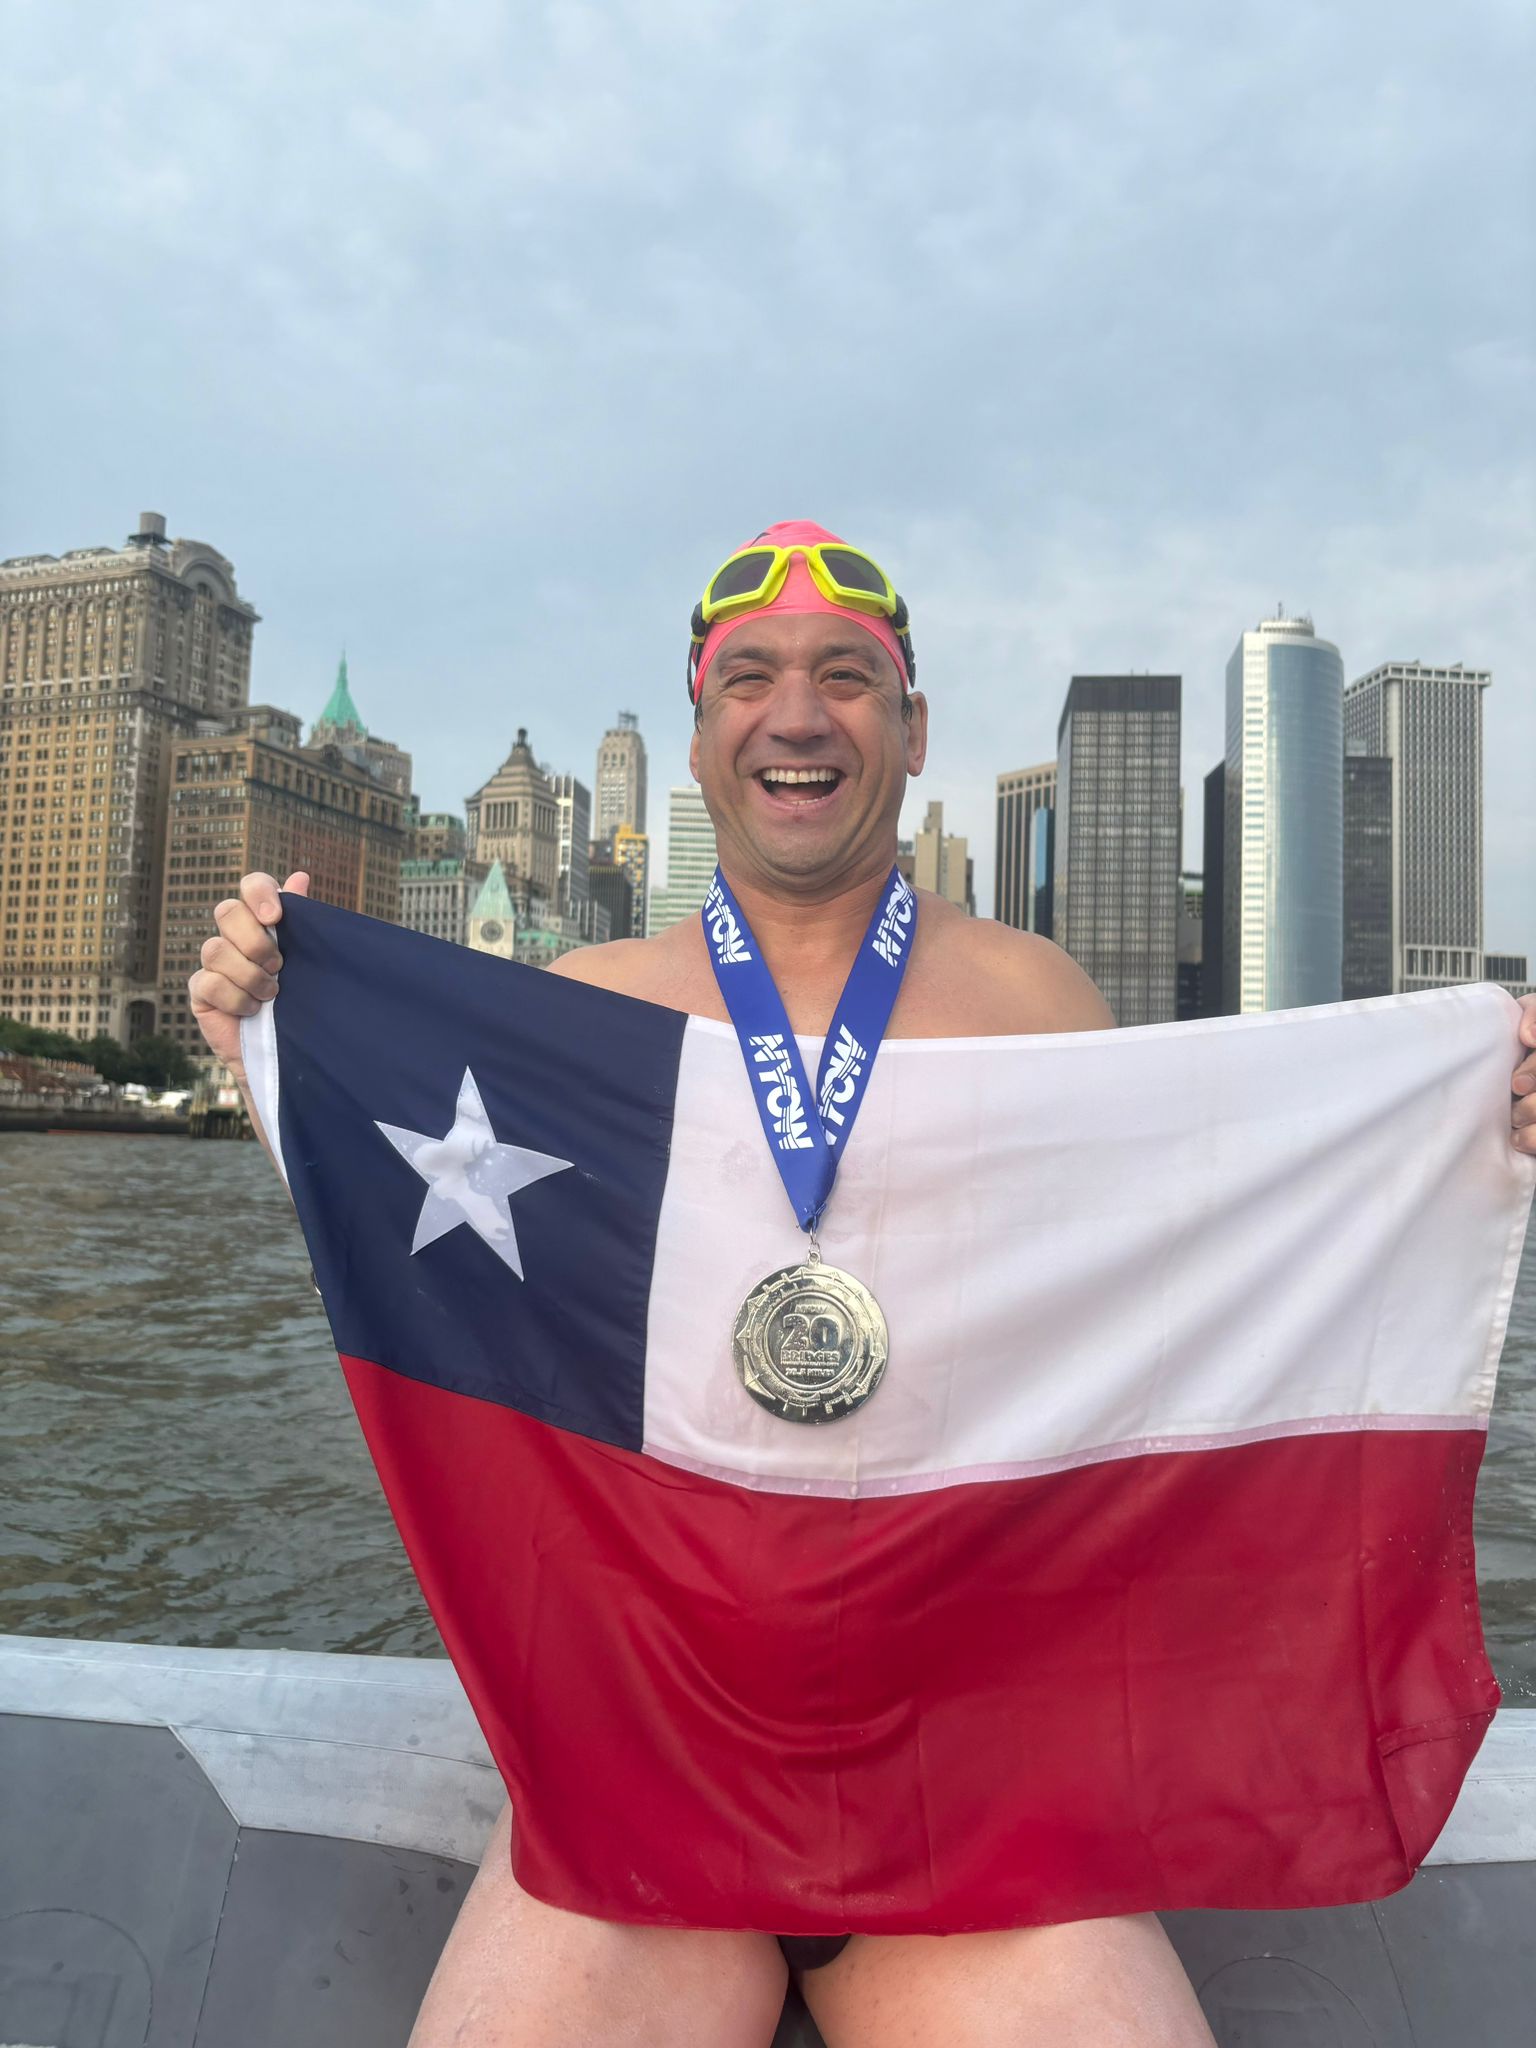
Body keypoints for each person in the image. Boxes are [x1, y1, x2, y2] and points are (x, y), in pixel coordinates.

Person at [189, 523, 1536, 2048]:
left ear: (910, 728)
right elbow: (431, 1276)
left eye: (850, 676)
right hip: (639, 1777)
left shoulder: (1036, 1004)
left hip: (974, 1787)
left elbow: (1184, 1316)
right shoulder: (579, 1012)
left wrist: (1469, 1116)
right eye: (750, 678)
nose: (800, 713)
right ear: (702, 737)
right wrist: (269, 1047)